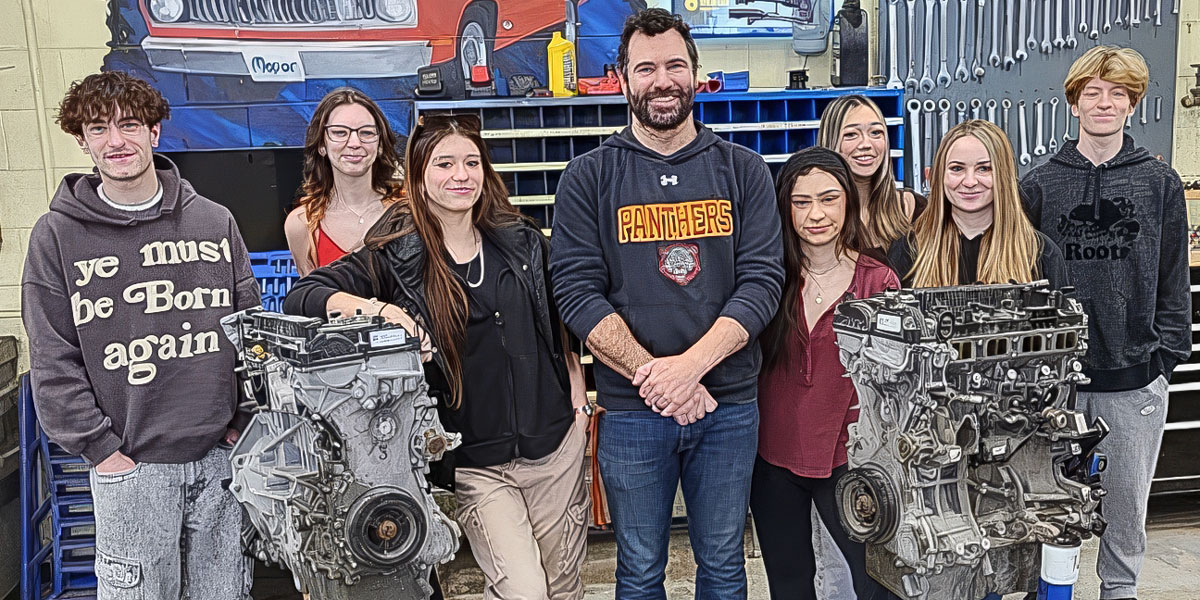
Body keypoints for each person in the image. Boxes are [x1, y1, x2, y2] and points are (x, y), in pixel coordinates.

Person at [283, 113, 591, 600]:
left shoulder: (523, 241)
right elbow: (307, 294)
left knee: (563, 587)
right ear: (419, 175)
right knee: (526, 592)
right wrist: (380, 309)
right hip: (477, 463)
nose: (461, 175)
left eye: (472, 162)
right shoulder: (397, 254)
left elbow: (562, 318)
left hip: (555, 447)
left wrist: (576, 390)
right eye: (445, 163)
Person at [549, 8, 784, 599]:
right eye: (646, 67)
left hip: (727, 406)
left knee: (726, 567)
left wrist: (688, 370)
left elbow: (761, 282)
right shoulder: (588, 176)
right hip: (631, 413)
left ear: (696, 74)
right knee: (639, 570)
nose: (662, 80)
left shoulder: (744, 171)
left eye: (675, 65)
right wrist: (658, 378)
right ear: (623, 78)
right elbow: (576, 289)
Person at [22, 71, 258, 600]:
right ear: (81, 140)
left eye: (129, 125)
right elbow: (52, 356)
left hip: (219, 463)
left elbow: (250, 332)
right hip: (130, 469)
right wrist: (103, 450)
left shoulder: (213, 221)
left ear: (155, 132)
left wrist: (240, 422)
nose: (116, 141)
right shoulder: (56, 235)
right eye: (98, 128)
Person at [1021, 46, 1190, 600]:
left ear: (1132, 104)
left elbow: (1172, 278)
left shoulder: (1160, 183)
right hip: (1055, 387)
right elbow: (1023, 282)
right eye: (1092, 91)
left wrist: (1163, 359)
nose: (1104, 102)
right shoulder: (1039, 185)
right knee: (1047, 512)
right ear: (1074, 102)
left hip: (1134, 379)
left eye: (1117, 93)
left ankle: (1120, 594)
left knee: (1125, 516)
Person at [751, 147, 897, 600]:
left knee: (875, 584)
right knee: (789, 584)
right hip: (773, 458)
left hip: (850, 459)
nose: (816, 214)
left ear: (848, 203)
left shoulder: (879, 282)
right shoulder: (766, 278)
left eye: (829, 199)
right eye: (801, 202)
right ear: (784, 208)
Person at [888, 119, 1069, 290]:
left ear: (1004, 176)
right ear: (938, 176)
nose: (969, 181)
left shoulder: (1041, 253)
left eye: (984, 168)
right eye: (957, 169)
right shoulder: (909, 250)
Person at [284, 87, 403, 275]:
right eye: (340, 132)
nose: (354, 143)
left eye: (366, 133)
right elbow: (309, 298)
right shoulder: (300, 224)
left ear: (380, 145)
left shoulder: (408, 214)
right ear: (322, 145)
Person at [818, 94, 926, 248]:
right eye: (851, 134)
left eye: (875, 132)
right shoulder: (816, 217)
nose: (866, 144)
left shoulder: (912, 207)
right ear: (830, 142)